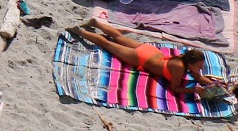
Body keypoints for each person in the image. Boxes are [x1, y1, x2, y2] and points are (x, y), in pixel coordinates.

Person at [70, 18, 223, 97]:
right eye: (199, 66)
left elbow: (200, 78)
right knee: (110, 45)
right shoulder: (179, 68)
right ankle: (81, 32)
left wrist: (215, 85)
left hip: (150, 51)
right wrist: (193, 91)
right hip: (142, 58)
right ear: (191, 63)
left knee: (118, 37)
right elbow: (175, 88)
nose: (200, 69)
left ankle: (96, 22)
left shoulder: (186, 60)